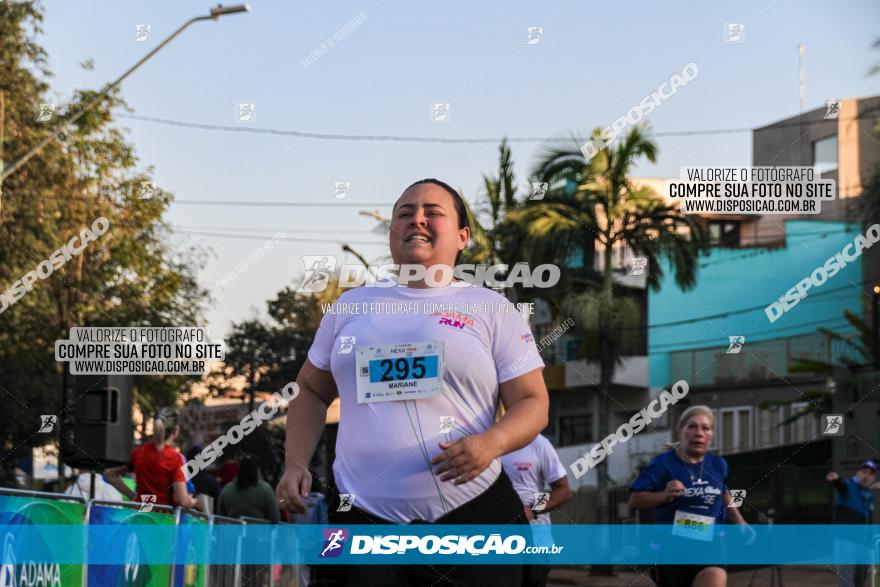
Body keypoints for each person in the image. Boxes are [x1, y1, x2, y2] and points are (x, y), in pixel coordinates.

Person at [276, 178, 550, 586]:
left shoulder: (491, 308)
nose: (416, 220)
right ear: (392, 232)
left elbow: (533, 402)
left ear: (462, 237)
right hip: (363, 526)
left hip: (473, 520)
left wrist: (491, 443)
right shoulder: (351, 307)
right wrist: (294, 463)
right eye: (404, 213)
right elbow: (311, 391)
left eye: (432, 213)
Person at [629, 405, 753, 587]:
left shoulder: (718, 464)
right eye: (692, 426)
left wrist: (740, 521)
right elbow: (635, 500)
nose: (699, 432)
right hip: (671, 549)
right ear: (681, 431)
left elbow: (723, 493)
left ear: (711, 435)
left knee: (714, 578)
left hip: (710, 546)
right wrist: (663, 495)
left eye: (706, 428)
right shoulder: (663, 464)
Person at [501, 433, 571, 587]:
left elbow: (562, 490)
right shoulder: (485, 441)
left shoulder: (538, 443)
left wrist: (533, 510)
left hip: (535, 540)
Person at [104, 407, 200, 510]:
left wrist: (132, 496)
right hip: (162, 518)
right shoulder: (175, 458)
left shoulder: (138, 453)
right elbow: (182, 500)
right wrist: (196, 502)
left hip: (141, 514)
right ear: (176, 430)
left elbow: (109, 474)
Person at [826, 460, 878, 587]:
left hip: (863, 543)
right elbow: (841, 486)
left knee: (861, 579)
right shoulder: (849, 486)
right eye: (864, 472)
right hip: (846, 542)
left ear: (873, 478)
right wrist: (836, 480)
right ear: (858, 472)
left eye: (870, 474)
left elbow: (868, 521)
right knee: (846, 579)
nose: (866, 476)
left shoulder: (868, 495)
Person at [216, 454, 280, 522]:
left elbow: (220, 516)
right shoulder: (265, 489)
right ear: (257, 470)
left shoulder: (227, 489)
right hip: (259, 531)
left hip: (233, 531)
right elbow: (275, 517)